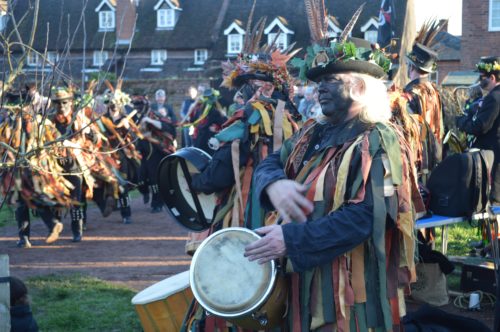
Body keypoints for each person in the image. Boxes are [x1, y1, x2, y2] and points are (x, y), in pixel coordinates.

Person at [245, 7, 422, 330]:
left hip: (352, 289)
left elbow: (368, 215)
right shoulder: (313, 130)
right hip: (305, 279)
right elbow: (270, 162)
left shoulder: (379, 138)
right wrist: (274, 184)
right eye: (318, 82)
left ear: (359, 87)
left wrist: (293, 239)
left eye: (330, 80)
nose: (319, 88)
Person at [456, 56, 500, 205]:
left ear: (492, 77)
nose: (479, 82)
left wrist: (461, 121)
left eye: (482, 77)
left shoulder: (494, 98)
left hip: (494, 157)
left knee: (494, 204)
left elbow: (479, 127)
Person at [139, 89, 177, 213]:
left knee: (157, 180)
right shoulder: (149, 115)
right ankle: (146, 193)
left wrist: (149, 121)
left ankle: (157, 203)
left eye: (162, 113)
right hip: (146, 154)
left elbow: (163, 127)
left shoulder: (167, 123)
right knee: (141, 178)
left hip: (162, 154)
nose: (159, 113)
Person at [182, 88, 226, 155]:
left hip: (211, 140)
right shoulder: (199, 110)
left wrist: (217, 129)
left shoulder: (216, 112)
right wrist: (192, 108)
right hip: (201, 139)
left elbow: (224, 123)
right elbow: (193, 120)